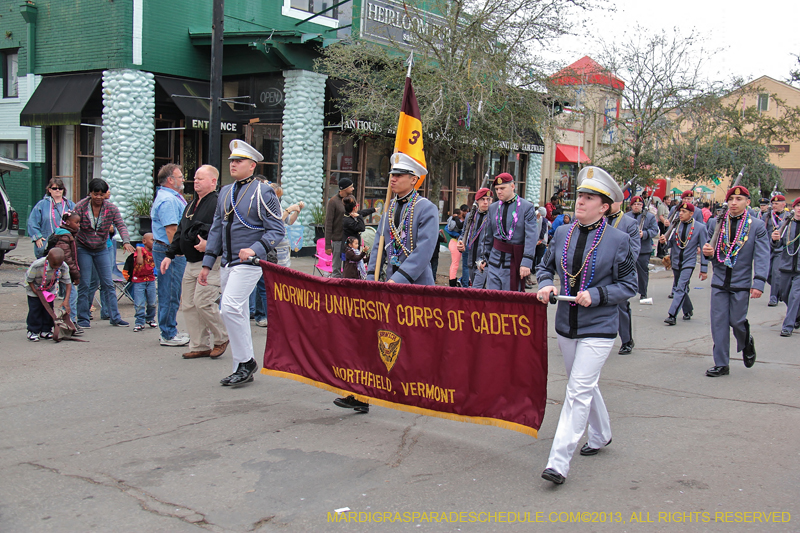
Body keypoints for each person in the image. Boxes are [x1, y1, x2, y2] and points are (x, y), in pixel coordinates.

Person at [536, 166, 637, 485]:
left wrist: (597, 294)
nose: (580, 201)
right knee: (584, 384)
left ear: (604, 207)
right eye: (580, 195)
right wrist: (546, 284)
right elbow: (545, 267)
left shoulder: (619, 240)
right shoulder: (562, 233)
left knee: (577, 390)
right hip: (566, 325)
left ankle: (558, 462)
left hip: (600, 326)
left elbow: (629, 285)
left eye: (589, 198)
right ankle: (601, 434)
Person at [337, 152, 437, 414]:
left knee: (415, 342)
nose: (392, 179)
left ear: (414, 179)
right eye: (392, 174)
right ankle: (362, 393)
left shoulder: (426, 208)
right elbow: (378, 245)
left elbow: (424, 250)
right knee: (376, 336)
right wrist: (371, 275)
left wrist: (398, 279)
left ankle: (422, 391)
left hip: (414, 285)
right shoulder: (390, 207)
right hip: (387, 283)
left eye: (399, 175)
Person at [199, 140, 285, 387]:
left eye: (239, 161)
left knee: (229, 308)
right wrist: (207, 263)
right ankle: (242, 365)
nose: (233, 164)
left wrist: (255, 249)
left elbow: (277, 230)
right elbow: (216, 229)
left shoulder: (263, 192)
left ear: (252, 165)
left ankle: (245, 362)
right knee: (236, 311)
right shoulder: (225, 191)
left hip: (250, 262)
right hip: (228, 262)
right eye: (232, 161)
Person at [161, 165, 230, 359]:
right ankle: (199, 345)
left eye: (200, 178)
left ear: (213, 181)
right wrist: (169, 254)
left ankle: (222, 337)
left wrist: (210, 245)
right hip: (190, 262)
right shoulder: (191, 204)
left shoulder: (218, 203)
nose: (195, 181)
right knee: (189, 305)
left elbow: (226, 231)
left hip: (209, 262)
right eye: (195, 178)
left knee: (203, 302)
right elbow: (181, 230)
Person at [701, 185, 770, 377]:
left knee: (737, 321)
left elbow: (762, 256)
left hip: (741, 282)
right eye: (731, 199)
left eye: (739, 199)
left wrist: (759, 283)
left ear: (747, 202)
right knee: (719, 323)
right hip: (720, 281)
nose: (734, 203)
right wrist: (707, 253)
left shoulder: (756, 226)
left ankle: (746, 341)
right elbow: (710, 250)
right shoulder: (716, 222)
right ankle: (721, 363)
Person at [74, 178, 135, 328]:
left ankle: (115, 317)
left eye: (101, 194)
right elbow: (72, 224)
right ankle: (82, 318)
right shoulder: (80, 206)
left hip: (101, 248)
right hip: (83, 247)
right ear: (90, 193)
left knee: (108, 283)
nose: (98, 197)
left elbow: (120, 225)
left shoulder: (111, 208)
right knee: (85, 283)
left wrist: (126, 241)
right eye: (95, 194)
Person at [477, 173, 538, 292]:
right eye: (496, 189)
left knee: (510, 300)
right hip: (494, 262)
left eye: (502, 188)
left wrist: (527, 262)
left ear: (512, 186)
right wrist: (483, 257)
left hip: (514, 262)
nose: (499, 192)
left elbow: (531, 237)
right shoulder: (493, 208)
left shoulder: (526, 207)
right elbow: (487, 236)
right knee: (492, 298)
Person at [151, 163, 189, 346]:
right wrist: (178, 251)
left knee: (172, 291)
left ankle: (169, 329)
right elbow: (171, 229)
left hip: (167, 249)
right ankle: (168, 333)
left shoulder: (171, 197)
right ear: (170, 180)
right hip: (168, 250)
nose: (183, 179)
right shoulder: (168, 200)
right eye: (180, 176)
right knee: (170, 292)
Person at [658, 203, 708, 325]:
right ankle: (688, 310)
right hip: (676, 261)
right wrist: (663, 242)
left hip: (688, 262)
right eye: (680, 211)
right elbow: (669, 244)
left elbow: (704, 249)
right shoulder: (675, 226)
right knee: (681, 287)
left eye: (684, 211)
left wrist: (704, 268)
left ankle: (672, 315)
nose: (680, 213)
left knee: (680, 288)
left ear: (691, 214)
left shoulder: (700, 228)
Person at [606, 196, 641, 354]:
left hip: (619, 272)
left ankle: (627, 340)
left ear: (620, 202)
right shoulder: (599, 219)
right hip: (600, 270)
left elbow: (634, 250)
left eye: (613, 200)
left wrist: (621, 270)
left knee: (621, 307)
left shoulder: (629, 223)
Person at [46, 211, 82, 332]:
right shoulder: (65, 237)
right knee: (71, 295)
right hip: (62, 272)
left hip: (60, 271)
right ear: (67, 222)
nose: (78, 225)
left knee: (67, 295)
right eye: (76, 222)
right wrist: (76, 274)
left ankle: (65, 321)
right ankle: (70, 321)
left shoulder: (65, 234)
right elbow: (67, 259)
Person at [26, 248, 72, 341]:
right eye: (54, 265)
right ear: (48, 259)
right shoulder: (37, 265)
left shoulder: (63, 266)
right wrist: (36, 292)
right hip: (35, 289)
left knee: (48, 310)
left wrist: (66, 300)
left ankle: (46, 330)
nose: (56, 267)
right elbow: (29, 280)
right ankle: (33, 331)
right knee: (35, 310)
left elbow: (68, 283)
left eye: (59, 265)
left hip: (49, 290)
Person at [771, 197, 800, 337]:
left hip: (799, 269)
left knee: (795, 296)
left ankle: (788, 326)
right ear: (794, 208)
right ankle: (797, 315)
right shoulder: (786, 224)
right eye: (798, 206)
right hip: (786, 266)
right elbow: (777, 244)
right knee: (784, 294)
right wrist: (774, 240)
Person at [27, 178, 75, 259]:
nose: (57, 190)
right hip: (46, 243)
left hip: (65, 244)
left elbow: (76, 221)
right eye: (54, 188)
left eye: (60, 188)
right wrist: (37, 237)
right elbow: (33, 222)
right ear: (49, 190)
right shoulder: (41, 205)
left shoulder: (70, 205)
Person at [625, 196, 659, 301]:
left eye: (639, 204)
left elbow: (655, 230)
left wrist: (644, 234)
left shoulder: (650, 217)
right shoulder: (626, 216)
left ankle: (643, 292)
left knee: (643, 272)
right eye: (635, 204)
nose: (637, 206)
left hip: (643, 249)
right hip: (628, 248)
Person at [457, 188, 492, 289]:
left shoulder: (493, 217)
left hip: (484, 261)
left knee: (476, 289)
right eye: (482, 199)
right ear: (477, 201)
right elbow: (464, 233)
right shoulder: (470, 216)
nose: (485, 202)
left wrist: (487, 259)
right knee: (480, 290)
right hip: (471, 259)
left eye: (488, 199)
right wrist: (460, 242)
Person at [325, 178, 355, 278]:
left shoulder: (352, 199)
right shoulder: (333, 201)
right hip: (337, 239)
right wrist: (328, 245)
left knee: (349, 268)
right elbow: (328, 223)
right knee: (336, 269)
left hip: (349, 240)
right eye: (351, 187)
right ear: (345, 188)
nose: (353, 189)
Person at [765, 194, 789, 307]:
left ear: (783, 204)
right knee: (767, 274)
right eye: (773, 203)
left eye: (777, 203)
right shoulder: (767, 216)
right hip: (768, 248)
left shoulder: (788, 217)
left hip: (781, 250)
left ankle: (773, 297)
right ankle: (779, 290)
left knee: (775, 273)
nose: (774, 206)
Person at [132, 233, 157, 333]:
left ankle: (150, 318)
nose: (154, 242)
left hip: (150, 279)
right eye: (152, 240)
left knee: (152, 302)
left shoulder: (155, 252)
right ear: (144, 241)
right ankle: (139, 322)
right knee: (139, 303)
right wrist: (138, 250)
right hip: (139, 280)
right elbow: (139, 262)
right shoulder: (141, 250)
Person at [445, 207, 464, 287]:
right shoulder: (455, 221)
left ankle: (458, 280)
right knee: (455, 263)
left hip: (457, 242)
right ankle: (452, 281)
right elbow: (447, 228)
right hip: (455, 243)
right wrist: (457, 235)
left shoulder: (457, 220)